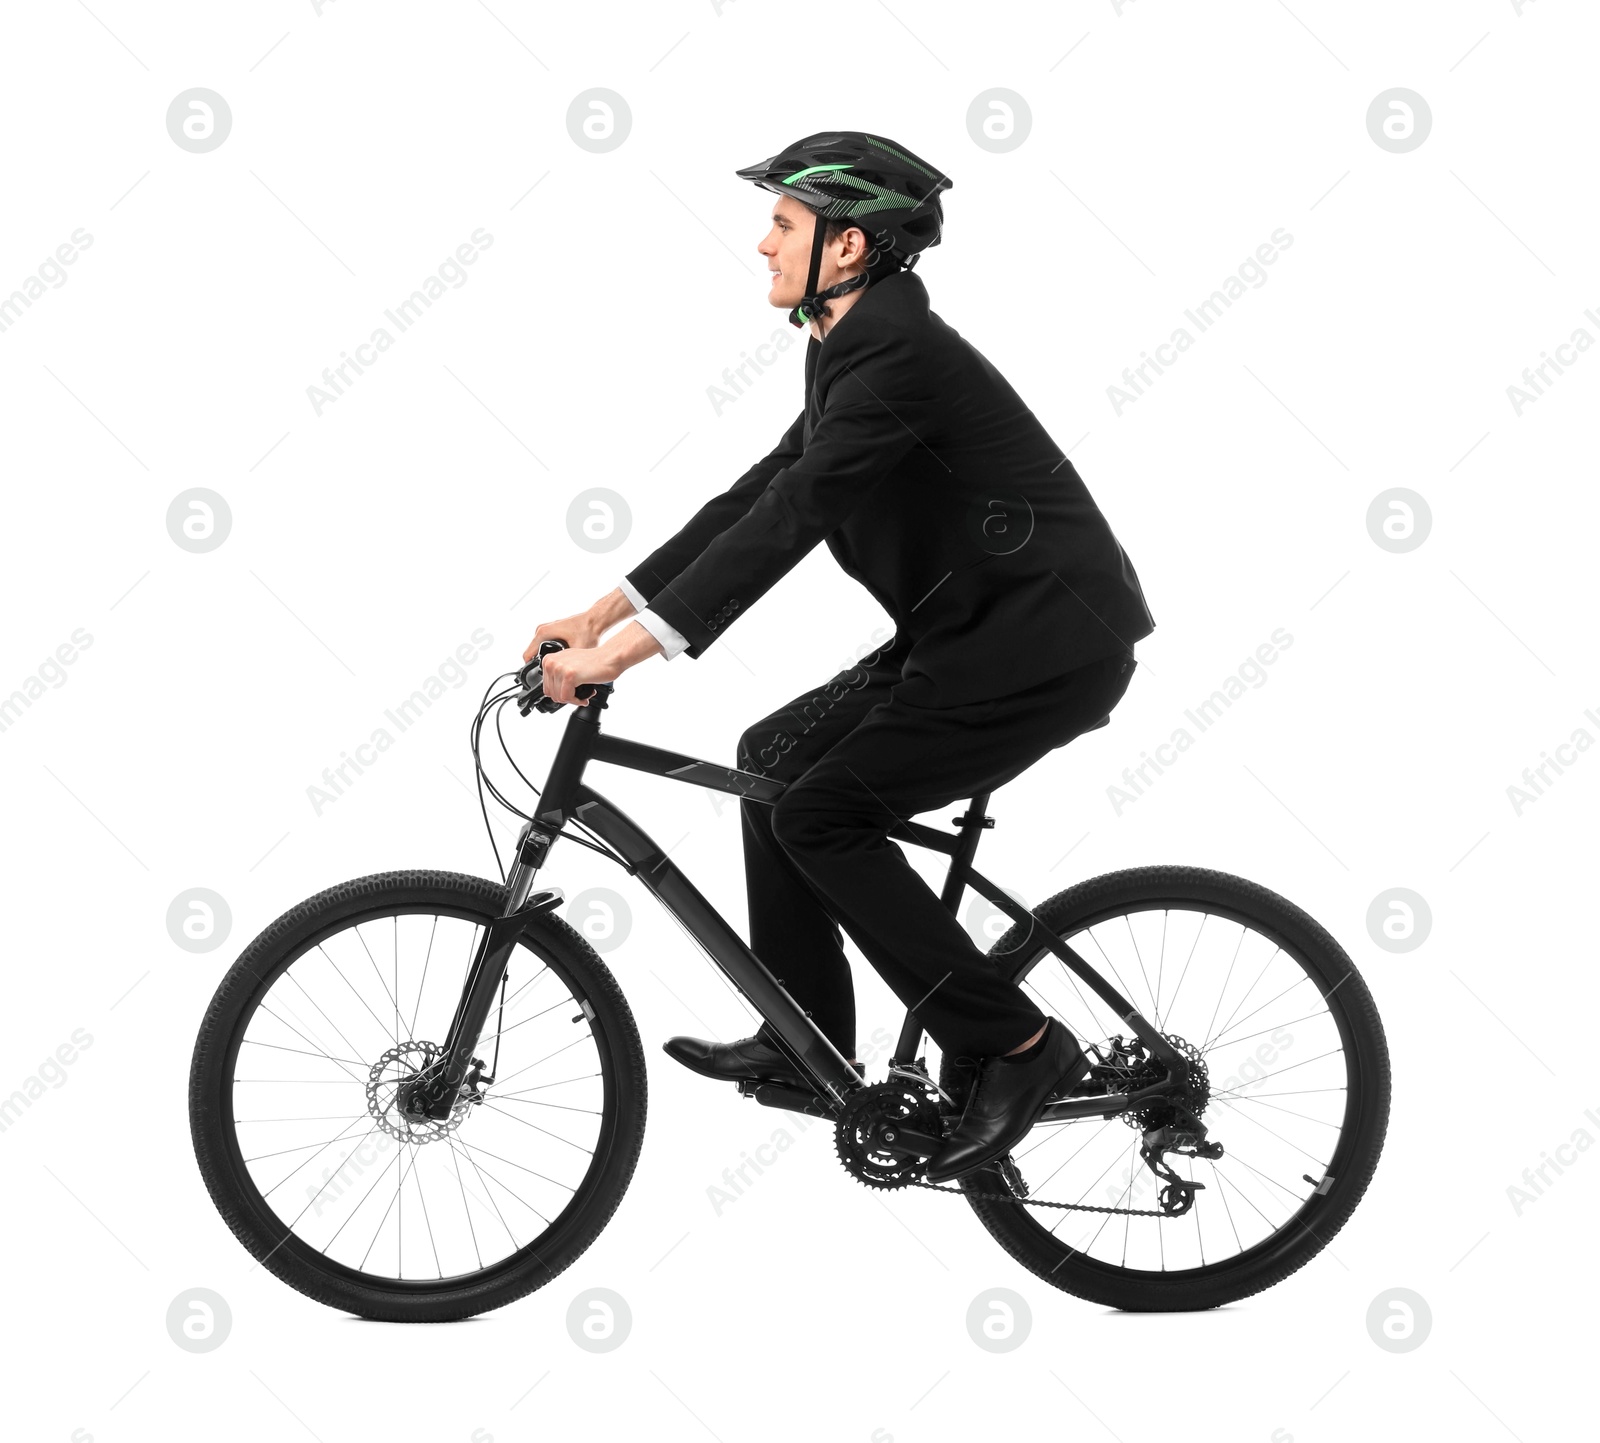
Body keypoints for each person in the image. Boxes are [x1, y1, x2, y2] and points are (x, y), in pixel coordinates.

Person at [525, 131, 1155, 1183]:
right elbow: (763, 491)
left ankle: (1017, 1046)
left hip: (1043, 648)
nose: (760, 244)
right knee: (772, 758)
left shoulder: (898, 356)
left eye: (782, 224)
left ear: (850, 247)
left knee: (821, 812)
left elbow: (800, 517)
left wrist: (627, 657)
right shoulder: (850, 345)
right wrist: (602, 612)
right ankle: (802, 1031)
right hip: (974, 635)